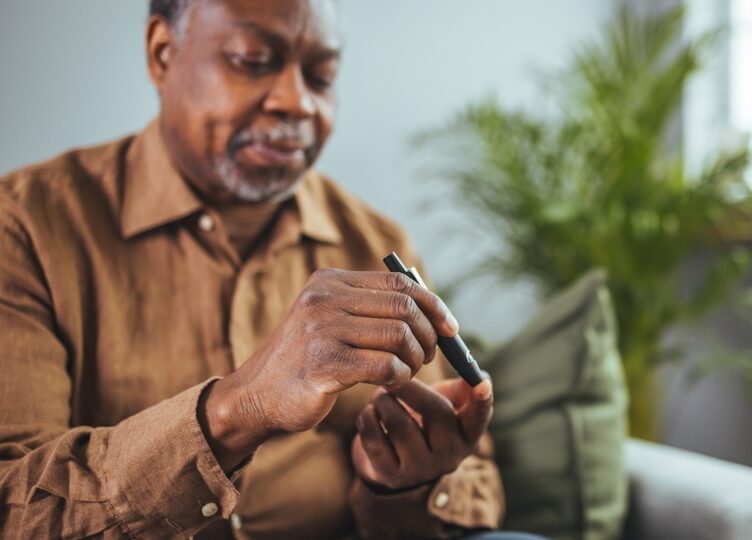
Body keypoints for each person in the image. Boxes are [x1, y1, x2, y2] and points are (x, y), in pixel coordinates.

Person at [0, 0, 511, 537]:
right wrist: (242, 406)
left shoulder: (375, 242)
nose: (298, 102)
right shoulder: (25, 228)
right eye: (253, 59)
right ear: (162, 54)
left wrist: (397, 487)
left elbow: (477, 486)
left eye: (322, 76)